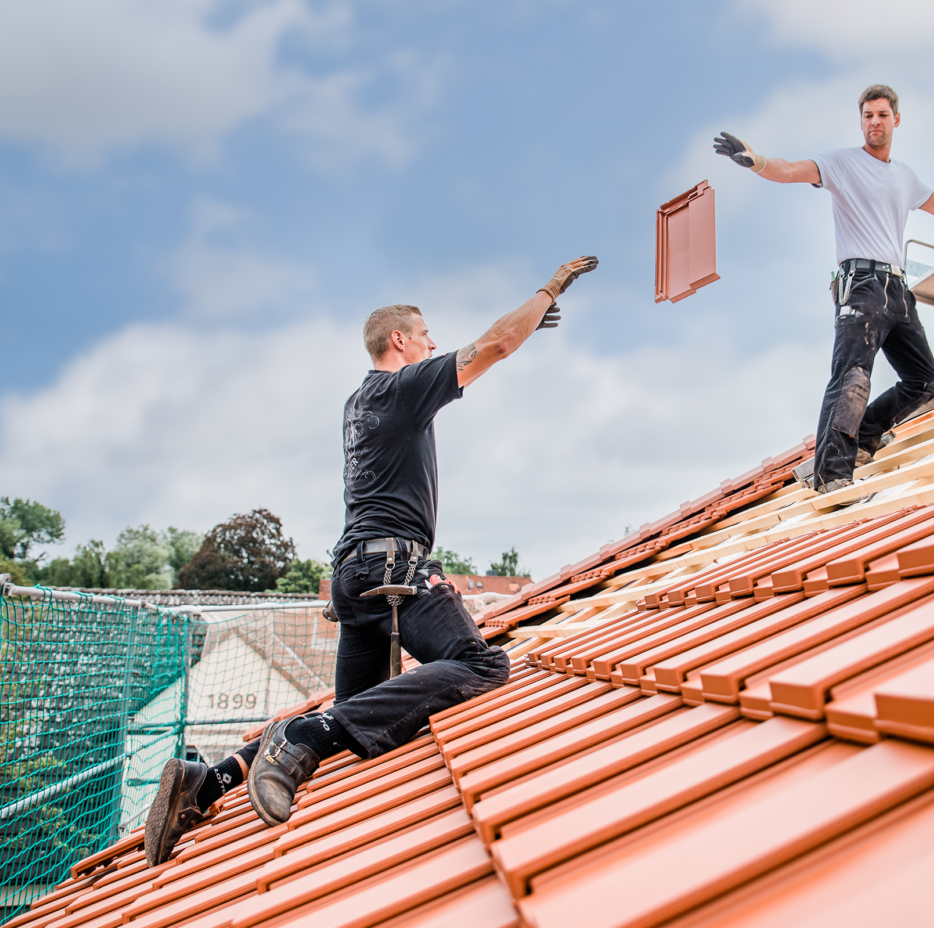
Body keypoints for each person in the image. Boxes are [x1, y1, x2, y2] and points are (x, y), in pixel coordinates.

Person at [143, 255, 599, 865]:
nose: (435, 345)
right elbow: (495, 345)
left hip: (355, 574)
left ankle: (213, 780)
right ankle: (298, 736)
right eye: (427, 336)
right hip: (397, 570)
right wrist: (547, 291)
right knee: (480, 665)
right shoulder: (402, 388)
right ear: (399, 340)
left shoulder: (359, 400)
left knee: (354, 714)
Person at [714, 84, 934, 494]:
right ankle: (831, 475)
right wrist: (757, 161)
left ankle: (865, 434)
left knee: (923, 381)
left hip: (897, 289)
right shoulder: (842, 164)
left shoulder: (904, 176)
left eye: (882, 115)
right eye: (868, 116)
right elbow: (792, 171)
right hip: (861, 284)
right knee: (851, 378)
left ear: (895, 120)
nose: (875, 123)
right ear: (861, 121)